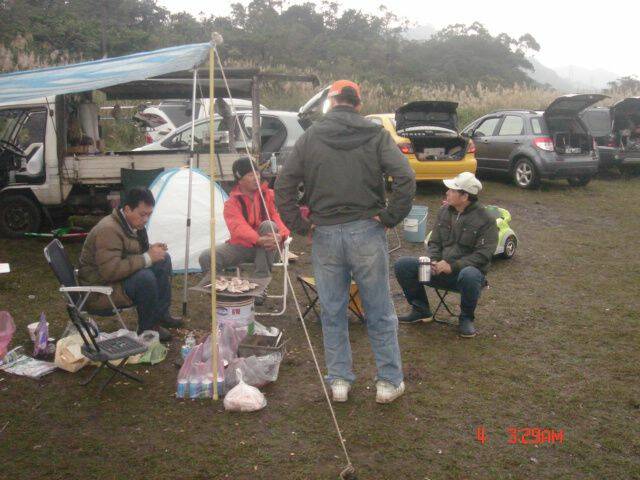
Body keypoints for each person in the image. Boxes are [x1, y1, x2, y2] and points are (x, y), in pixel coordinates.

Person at [275, 80, 416, 404]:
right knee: (379, 309)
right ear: (358, 104)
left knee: (332, 310)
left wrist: (301, 225)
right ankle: (388, 382)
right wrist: (389, 216)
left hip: (325, 234)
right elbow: (406, 177)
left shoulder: (311, 136)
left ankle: (339, 381)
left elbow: (283, 186)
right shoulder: (376, 134)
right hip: (366, 231)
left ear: (331, 103)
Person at [394, 172, 498, 338]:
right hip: (438, 270)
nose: (447, 193)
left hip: (464, 276)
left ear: (465, 196)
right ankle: (421, 309)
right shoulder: (444, 211)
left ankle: (466, 318)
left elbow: (483, 255)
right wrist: (433, 260)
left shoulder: (486, 219)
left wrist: (452, 266)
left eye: (452, 190)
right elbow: (434, 242)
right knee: (403, 265)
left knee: (470, 274)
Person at [78, 187, 182, 342]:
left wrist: (151, 250)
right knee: (145, 278)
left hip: (114, 281)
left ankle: (161, 315)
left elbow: (130, 251)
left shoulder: (130, 224)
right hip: (99, 290)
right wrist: (147, 257)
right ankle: (148, 329)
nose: (146, 219)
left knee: (163, 259)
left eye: (149, 214)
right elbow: (110, 271)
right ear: (127, 209)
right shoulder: (108, 230)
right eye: (142, 214)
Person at [198, 157, 289, 303]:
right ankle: (223, 294)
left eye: (257, 173)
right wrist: (257, 239)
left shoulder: (268, 195)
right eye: (251, 175)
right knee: (207, 257)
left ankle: (260, 286)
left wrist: (281, 236)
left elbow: (279, 219)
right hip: (243, 247)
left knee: (269, 225)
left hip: (270, 248)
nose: (256, 178)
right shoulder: (232, 203)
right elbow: (238, 227)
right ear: (240, 180)